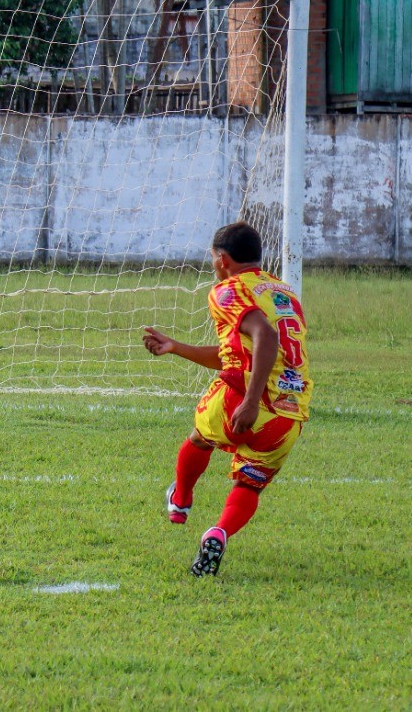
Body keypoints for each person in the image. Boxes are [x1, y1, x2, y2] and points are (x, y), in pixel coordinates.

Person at [141, 221, 312, 577]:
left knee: (199, 438)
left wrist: (250, 402)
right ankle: (218, 532)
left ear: (223, 259)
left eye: (213, 259)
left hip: (241, 398)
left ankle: (182, 498)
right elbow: (245, 351)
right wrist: (176, 348)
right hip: (288, 412)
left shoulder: (228, 290)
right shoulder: (285, 292)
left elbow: (265, 337)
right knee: (249, 483)